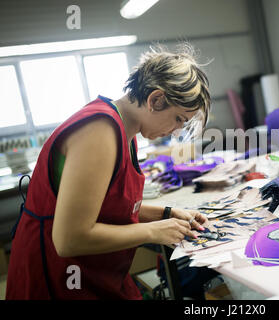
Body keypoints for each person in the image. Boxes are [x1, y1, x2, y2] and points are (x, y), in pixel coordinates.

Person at [6, 44, 211, 300]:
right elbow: (68, 239)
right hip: (58, 277)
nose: (177, 131)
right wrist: (153, 231)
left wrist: (166, 213)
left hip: (94, 270)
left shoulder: (127, 132)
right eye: (179, 119)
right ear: (156, 99)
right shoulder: (100, 131)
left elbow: (110, 207)